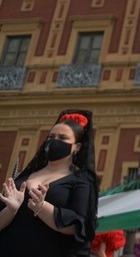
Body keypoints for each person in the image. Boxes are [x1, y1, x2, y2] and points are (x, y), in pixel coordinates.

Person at [0, 109, 99, 257]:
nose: (55, 141)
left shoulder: (82, 179)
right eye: (51, 136)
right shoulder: (24, 176)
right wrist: (11, 210)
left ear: (77, 147)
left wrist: (41, 206)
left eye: (62, 137)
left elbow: (79, 225)